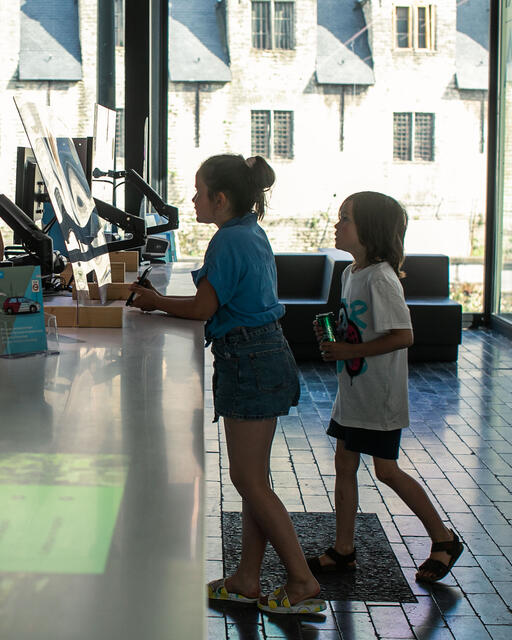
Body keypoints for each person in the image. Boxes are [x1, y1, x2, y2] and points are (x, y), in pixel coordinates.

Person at [128, 154, 325, 615]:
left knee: (248, 480)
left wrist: (154, 301)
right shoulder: (248, 233)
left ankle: (301, 581)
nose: (193, 200)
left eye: (199, 193)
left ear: (221, 198)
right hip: (266, 355)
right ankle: (246, 579)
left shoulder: (226, 243)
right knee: (254, 479)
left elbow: (201, 309)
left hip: (249, 361)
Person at [309, 191, 463, 584]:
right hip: (354, 393)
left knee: (387, 471)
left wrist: (350, 347)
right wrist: (338, 336)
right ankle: (344, 550)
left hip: (379, 396)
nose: (337, 224)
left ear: (369, 230)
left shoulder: (381, 277)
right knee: (344, 464)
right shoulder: (351, 273)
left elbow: (403, 335)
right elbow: (361, 328)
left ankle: (443, 539)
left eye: (346, 218)